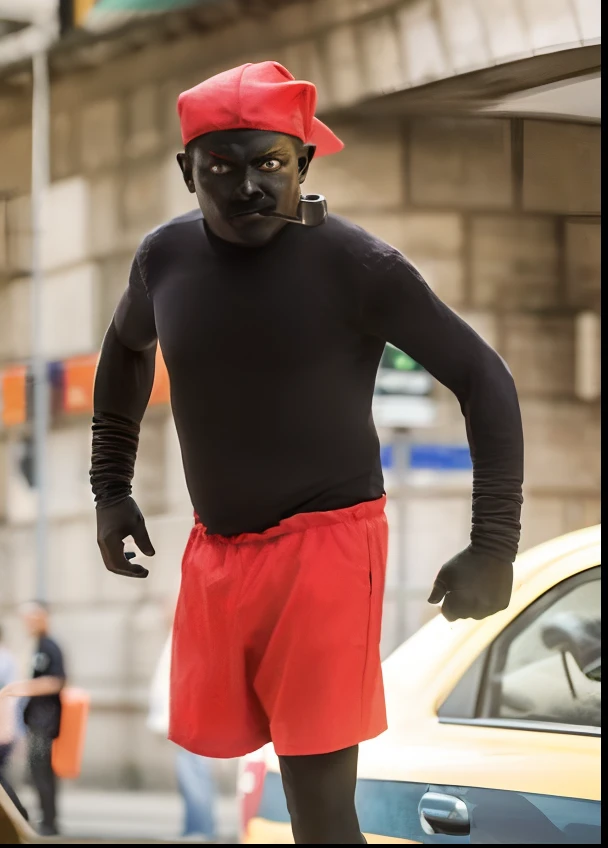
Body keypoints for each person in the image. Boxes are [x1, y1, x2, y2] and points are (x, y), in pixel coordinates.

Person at [90, 61, 524, 844]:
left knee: (319, 809)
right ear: (187, 171)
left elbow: (484, 379)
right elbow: (125, 349)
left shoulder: (358, 267)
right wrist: (110, 486)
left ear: (305, 165)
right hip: (217, 552)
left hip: (327, 548)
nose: (249, 186)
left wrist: (493, 544)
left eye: (271, 164)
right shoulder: (164, 258)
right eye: (221, 167)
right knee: (252, 792)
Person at [0, 603, 66, 836]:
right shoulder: (37, 646)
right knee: (37, 772)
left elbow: (56, 680)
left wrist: (18, 688)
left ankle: (48, 821)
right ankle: (42, 819)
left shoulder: (49, 647)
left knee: (42, 772)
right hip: (35, 719)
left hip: (45, 720)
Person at [147, 628, 217, 842]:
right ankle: (193, 828)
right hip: (184, 718)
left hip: (193, 719)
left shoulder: (194, 630)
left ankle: (202, 830)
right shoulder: (181, 630)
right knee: (188, 776)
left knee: (195, 774)